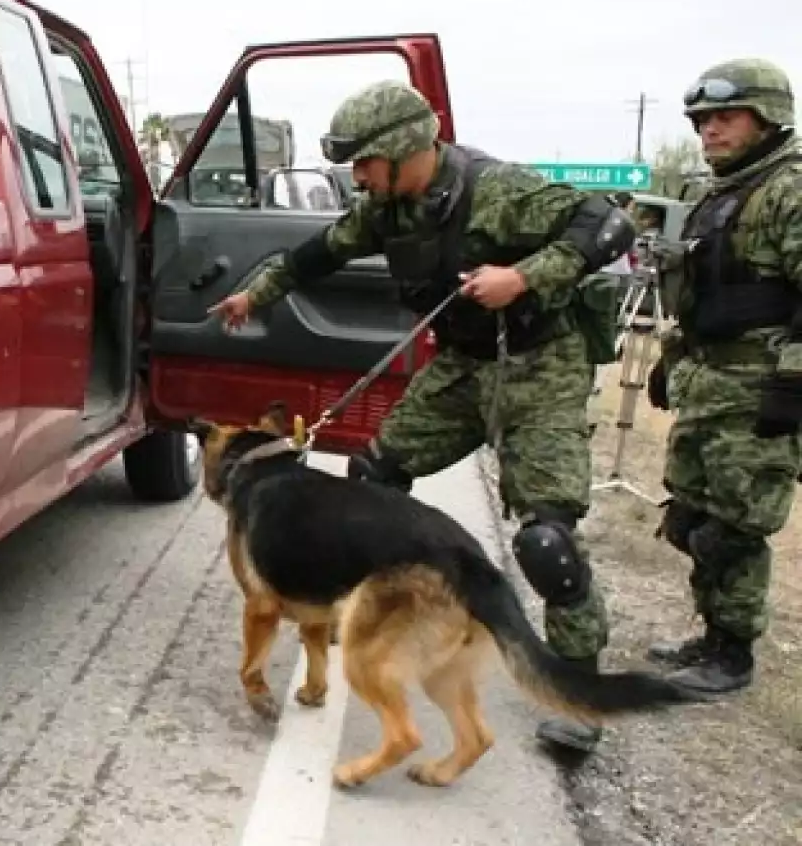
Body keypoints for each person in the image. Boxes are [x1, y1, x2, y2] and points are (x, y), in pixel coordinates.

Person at [209, 79, 636, 754]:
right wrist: (252, 297)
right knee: (375, 471)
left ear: (405, 147)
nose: (357, 177)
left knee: (546, 541)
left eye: (363, 162)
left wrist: (521, 278)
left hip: (539, 368)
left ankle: (579, 688)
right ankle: (376, 613)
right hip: (462, 368)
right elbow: (320, 253)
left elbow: (608, 225)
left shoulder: (500, 189)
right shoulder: (387, 206)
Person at [644, 58, 801, 695]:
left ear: (767, 119)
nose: (709, 130)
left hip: (759, 389)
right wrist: (672, 356)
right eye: (703, 120)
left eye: (725, 117)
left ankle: (732, 655)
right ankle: (710, 636)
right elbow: (707, 293)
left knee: (734, 529)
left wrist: (792, 385)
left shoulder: (789, 189)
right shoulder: (722, 192)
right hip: (710, 385)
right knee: (690, 518)